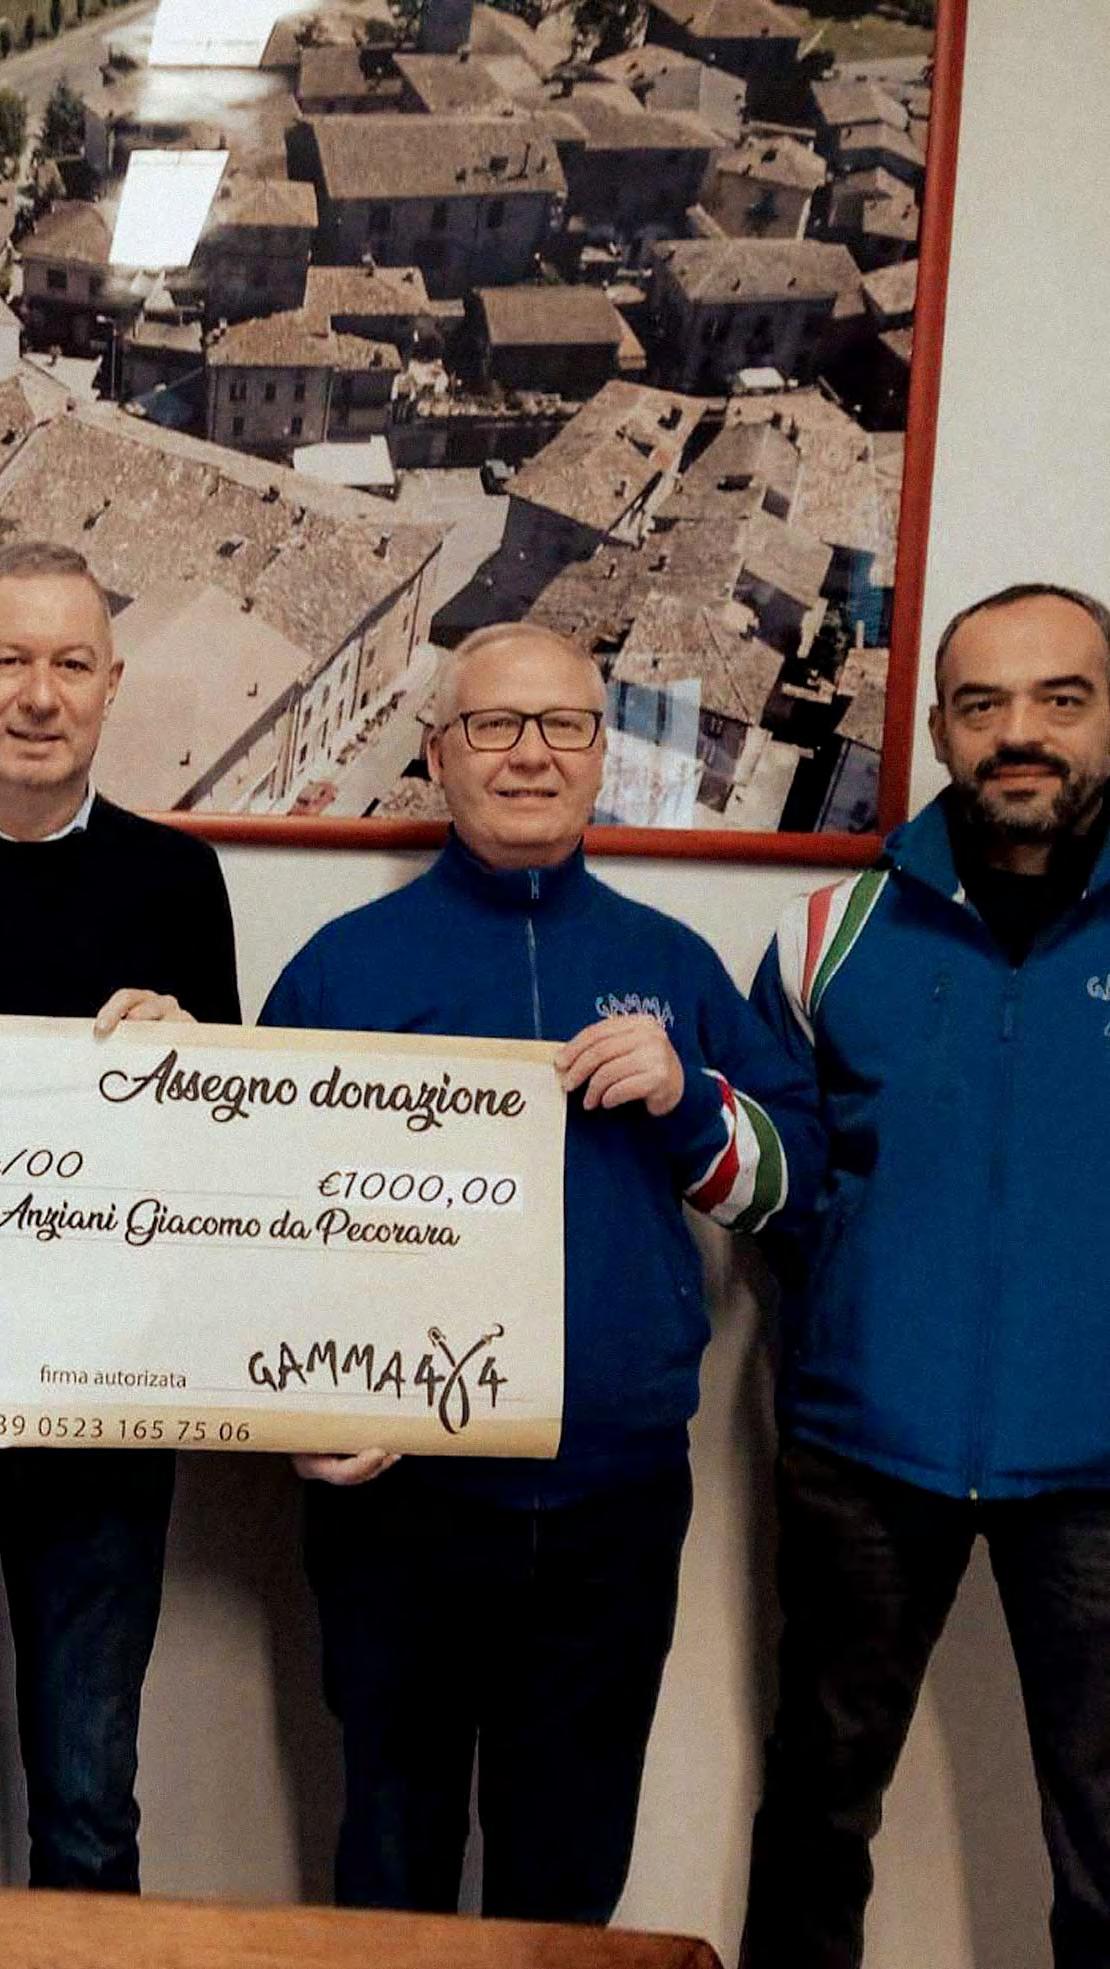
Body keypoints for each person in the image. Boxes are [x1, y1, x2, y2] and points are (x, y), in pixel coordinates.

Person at [261, 620, 822, 1924]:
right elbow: (258, 1227)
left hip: (609, 1509)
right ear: (436, 754)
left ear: (600, 753)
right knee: (389, 1864)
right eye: (495, 725)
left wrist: (689, 1101)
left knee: (566, 1880)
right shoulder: (343, 965)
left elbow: (790, 1190)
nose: (530, 754)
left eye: (564, 725)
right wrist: (293, 1408)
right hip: (399, 1510)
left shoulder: (673, 965)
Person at [743, 582, 1110, 1969]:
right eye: (981, 703)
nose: (1019, 733)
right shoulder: (824, 934)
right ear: (942, 730)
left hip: (1099, 1469)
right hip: (863, 1455)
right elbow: (782, 1187)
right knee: (815, 1816)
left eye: (1060, 698)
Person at [0, 538, 240, 1889]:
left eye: (70, 663)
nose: (38, 695)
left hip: (103, 1412)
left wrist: (195, 1056)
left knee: (89, 1802)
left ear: (111, 686)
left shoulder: (176, 881)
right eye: (7, 659)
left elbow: (233, 1168)